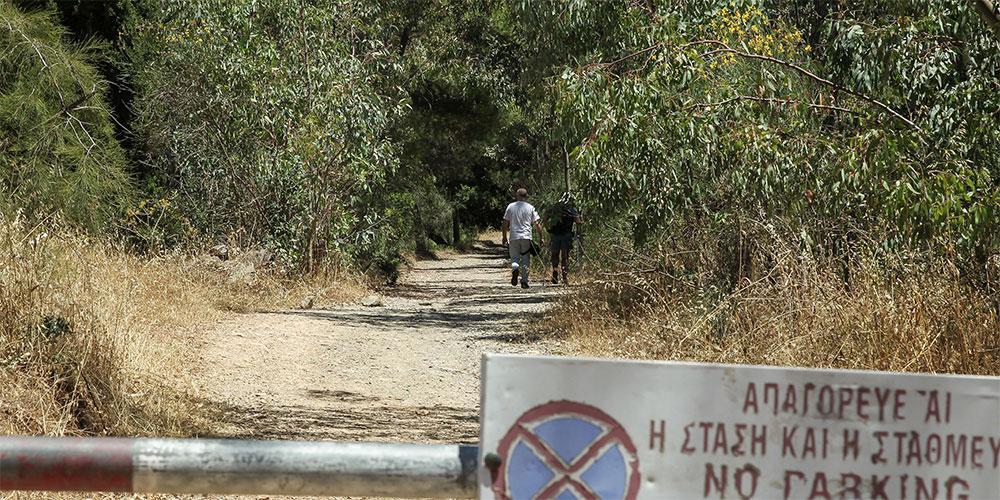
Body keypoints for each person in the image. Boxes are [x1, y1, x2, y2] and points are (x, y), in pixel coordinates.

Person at [502, 188, 545, 288]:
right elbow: (537, 224)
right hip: (526, 237)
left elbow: (505, 223)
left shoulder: (510, 207)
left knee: (514, 258)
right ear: (526, 196)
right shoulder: (530, 207)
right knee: (526, 258)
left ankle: (515, 268)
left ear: (517, 196)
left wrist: (504, 237)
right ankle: (524, 281)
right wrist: (541, 237)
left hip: (514, 237)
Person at [546, 193, 582, 285]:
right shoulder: (572, 209)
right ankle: (565, 277)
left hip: (555, 234)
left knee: (555, 254)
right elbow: (578, 221)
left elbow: (545, 219)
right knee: (565, 256)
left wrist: (548, 229)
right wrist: (578, 231)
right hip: (567, 234)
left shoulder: (554, 208)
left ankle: (555, 272)